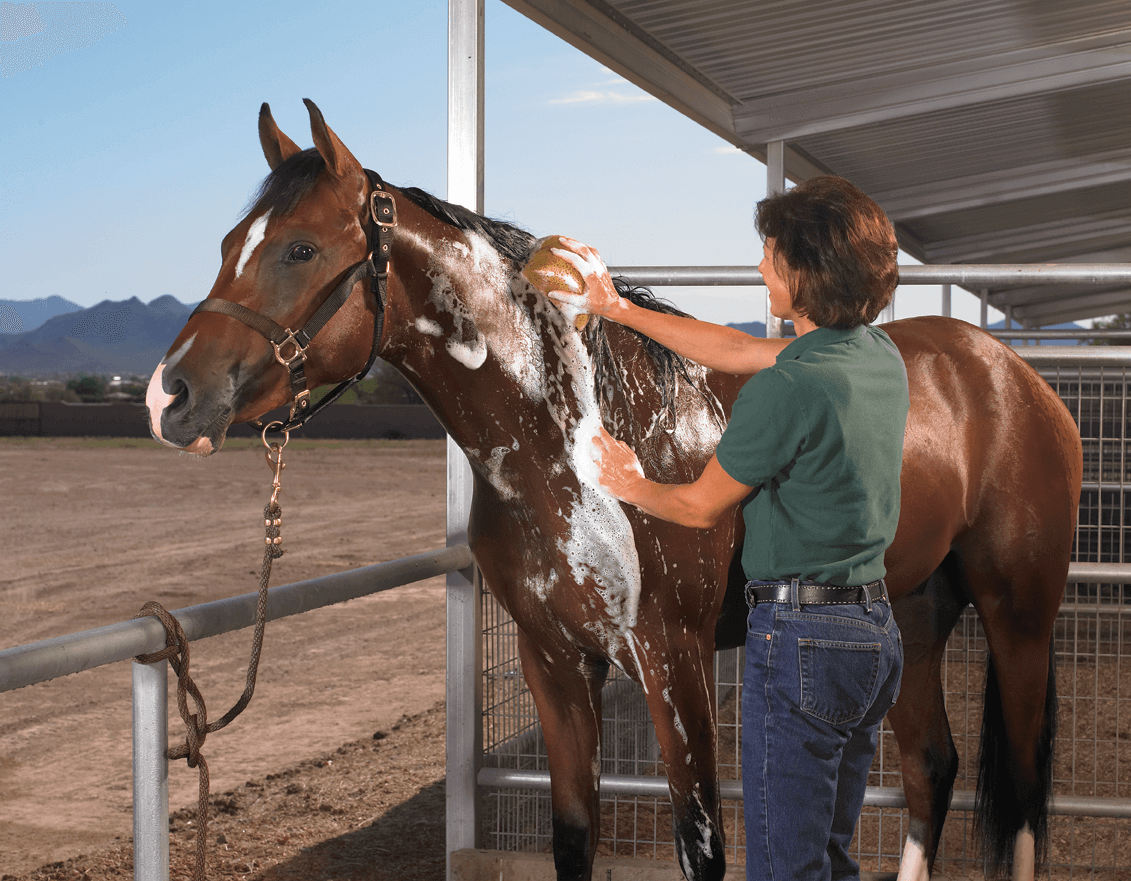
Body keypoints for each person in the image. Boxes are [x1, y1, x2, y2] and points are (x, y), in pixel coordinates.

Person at [529, 175, 909, 881]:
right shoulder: (871, 355)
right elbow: (733, 349)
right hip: (871, 632)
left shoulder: (785, 391)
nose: (760, 268)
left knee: (782, 866)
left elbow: (699, 507)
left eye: (770, 255)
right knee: (829, 852)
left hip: (800, 640)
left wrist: (626, 480)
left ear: (806, 270)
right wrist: (617, 309)